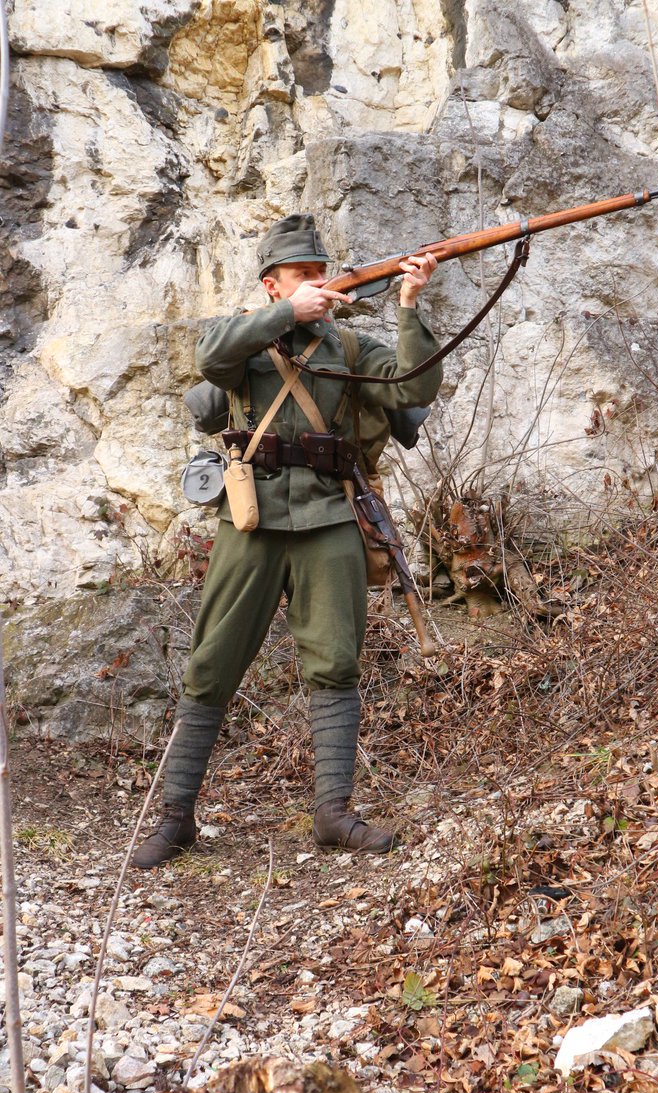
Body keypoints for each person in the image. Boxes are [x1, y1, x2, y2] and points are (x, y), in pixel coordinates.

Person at [132, 214, 441, 868]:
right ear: (274, 284)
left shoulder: (349, 348)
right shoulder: (245, 340)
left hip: (330, 516)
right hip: (253, 517)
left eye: (320, 273)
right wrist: (282, 315)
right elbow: (209, 357)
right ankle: (175, 817)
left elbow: (415, 388)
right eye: (303, 275)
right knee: (211, 665)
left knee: (335, 663)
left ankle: (331, 813)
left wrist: (410, 306)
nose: (318, 284)